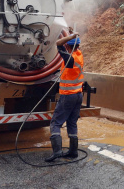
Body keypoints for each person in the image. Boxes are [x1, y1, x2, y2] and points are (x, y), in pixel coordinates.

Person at [46, 29, 85, 162]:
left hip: (68, 96)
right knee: (72, 123)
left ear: (69, 45)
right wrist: (71, 35)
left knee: (55, 123)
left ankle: (57, 151)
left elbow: (58, 43)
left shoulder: (69, 59)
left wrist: (71, 36)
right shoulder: (79, 55)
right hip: (78, 95)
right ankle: (73, 152)